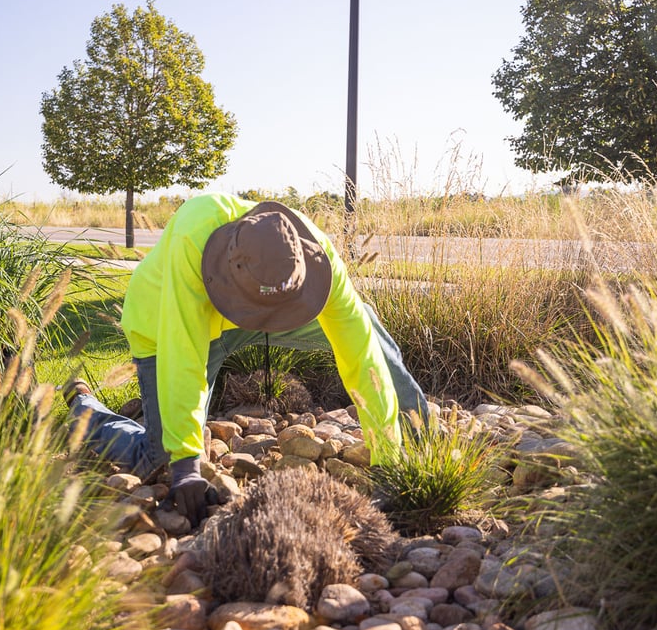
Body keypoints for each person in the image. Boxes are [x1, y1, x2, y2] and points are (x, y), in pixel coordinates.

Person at [65, 192, 427, 525]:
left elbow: (361, 351)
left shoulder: (314, 252)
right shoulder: (193, 235)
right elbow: (183, 352)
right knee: (161, 457)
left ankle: (421, 435)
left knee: (364, 319)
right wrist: (188, 465)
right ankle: (83, 405)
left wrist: (387, 461)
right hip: (164, 327)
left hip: (265, 312)